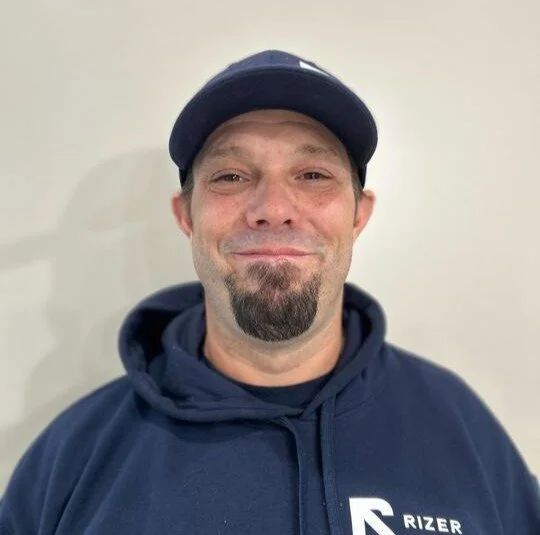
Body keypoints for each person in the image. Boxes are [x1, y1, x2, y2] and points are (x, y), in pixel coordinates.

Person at [0, 50, 538, 535]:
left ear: (358, 215)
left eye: (313, 175)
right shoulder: (71, 459)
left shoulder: (462, 429)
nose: (273, 208)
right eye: (231, 176)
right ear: (187, 216)